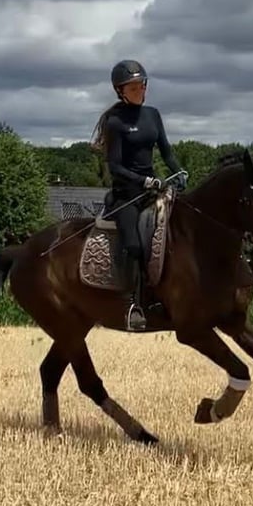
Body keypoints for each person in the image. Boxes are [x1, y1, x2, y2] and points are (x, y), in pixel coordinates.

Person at [91, 59, 188, 331]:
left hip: (155, 191)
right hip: (127, 196)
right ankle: (133, 304)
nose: (139, 90)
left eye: (141, 85)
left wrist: (179, 171)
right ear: (120, 90)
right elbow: (115, 166)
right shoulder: (115, 122)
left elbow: (166, 151)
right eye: (132, 87)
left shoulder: (153, 115)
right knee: (134, 245)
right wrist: (143, 180)